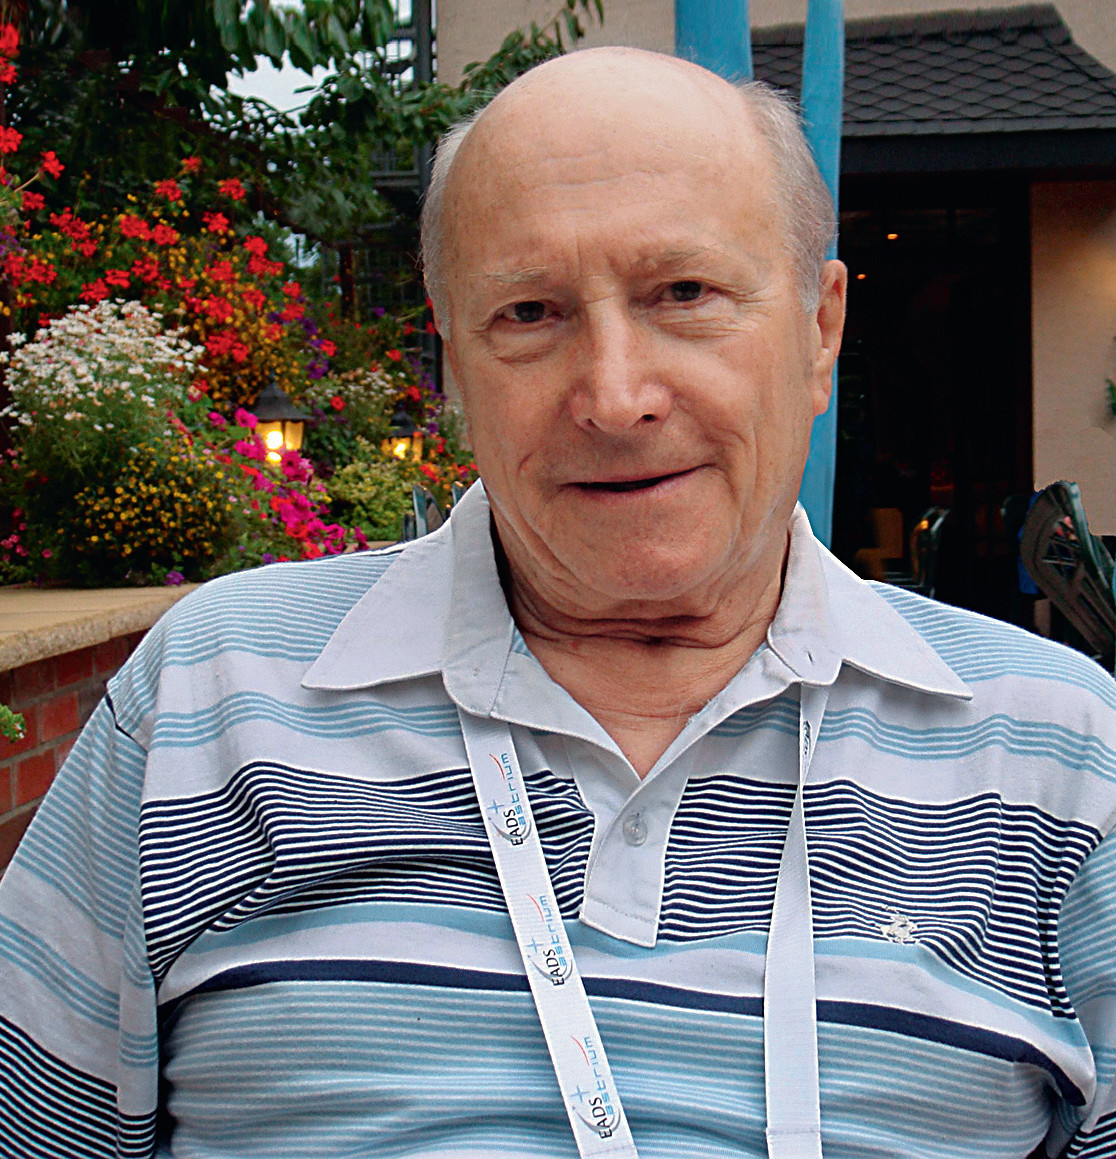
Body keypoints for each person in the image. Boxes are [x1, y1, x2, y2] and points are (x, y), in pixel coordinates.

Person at [2, 46, 1115, 1159]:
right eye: (530, 311)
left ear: (819, 331)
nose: (615, 397)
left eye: (685, 294)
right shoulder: (210, 700)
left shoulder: (1061, 754)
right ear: (453, 364)